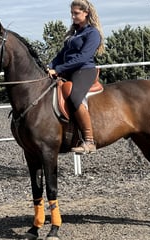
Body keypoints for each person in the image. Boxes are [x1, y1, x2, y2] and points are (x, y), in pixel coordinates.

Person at [48, 0, 104, 154]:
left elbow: (83, 57)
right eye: (72, 13)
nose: (73, 16)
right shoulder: (74, 33)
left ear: (86, 13)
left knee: (74, 96)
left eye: (76, 13)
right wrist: (50, 66)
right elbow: (61, 55)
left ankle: (89, 141)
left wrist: (58, 69)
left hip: (84, 71)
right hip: (68, 70)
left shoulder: (92, 33)